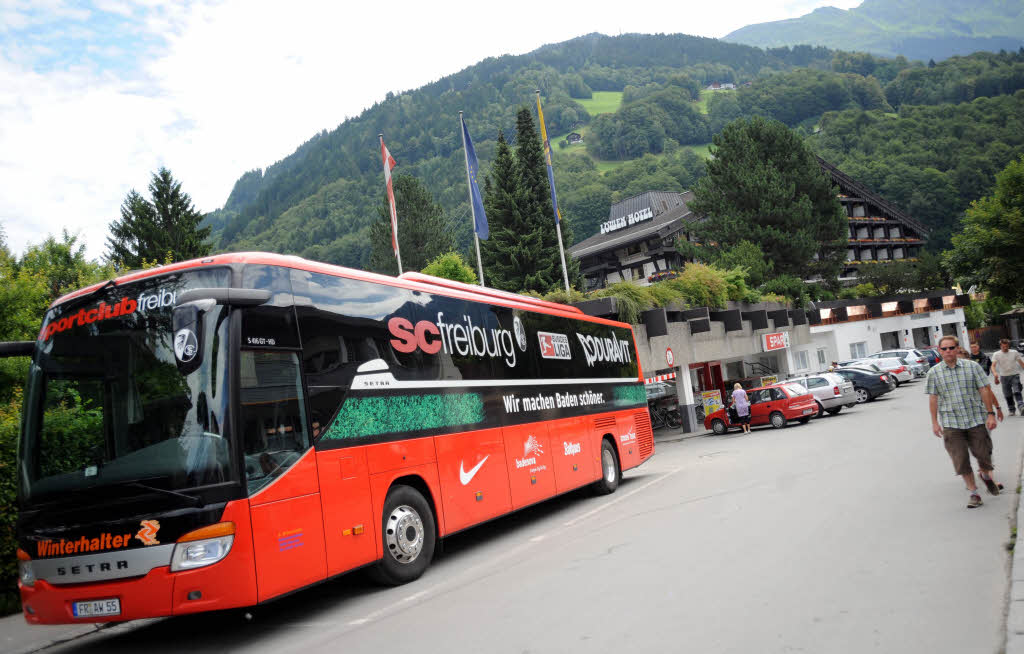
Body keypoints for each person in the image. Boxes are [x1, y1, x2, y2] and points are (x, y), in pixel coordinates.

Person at [926, 335, 1002, 509]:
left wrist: (991, 413)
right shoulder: (934, 373)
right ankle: (974, 493)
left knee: (984, 456)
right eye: (944, 349)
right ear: (939, 351)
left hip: (975, 419)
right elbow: (933, 398)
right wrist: (934, 422)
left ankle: (985, 475)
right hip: (952, 423)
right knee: (961, 460)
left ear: (957, 348)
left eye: (951, 348)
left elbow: (984, 390)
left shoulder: (972, 367)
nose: (948, 352)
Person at [991, 338, 1024, 416]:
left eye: (1006, 346)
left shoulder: (1014, 352)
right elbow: (993, 366)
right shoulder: (996, 354)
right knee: (1007, 394)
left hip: (1014, 374)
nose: (1005, 348)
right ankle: (1011, 409)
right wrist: (995, 374)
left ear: (1009, 346)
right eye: (1003, 347)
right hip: (1004, 376)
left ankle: (1021, 406)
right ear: (1000, 346)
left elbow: (1021, 363)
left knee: (1017, 390)